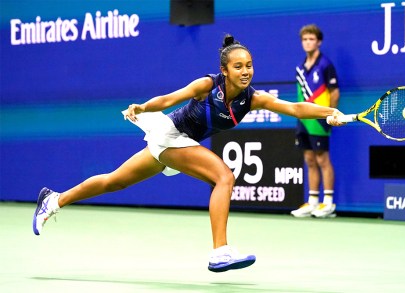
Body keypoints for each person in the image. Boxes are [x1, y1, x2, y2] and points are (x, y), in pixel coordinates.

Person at [33, 34, 344, 272]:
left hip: (175, 142)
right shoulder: (208, 85)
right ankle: (219, 251)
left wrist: (329, 111)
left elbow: (295, 107)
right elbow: (170, 98)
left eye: (249, 65)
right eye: (238, 67)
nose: (246, 71)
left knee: (114, 181)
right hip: (170, 135)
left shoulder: (252, 98)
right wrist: (142, 107)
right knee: (224, 176)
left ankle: (54, 199)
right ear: (225, 70)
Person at [290, 24, 340, 218]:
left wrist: (329, 115)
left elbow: (334, 92)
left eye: (311, 39)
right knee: (309, 159)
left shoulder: (326, 65)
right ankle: (312, 202)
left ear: (318, 42)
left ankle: (327, 203)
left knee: (322, 159)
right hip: (303, 120)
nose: (308, 42)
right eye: (305, 39)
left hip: (320, 120)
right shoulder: (300, 68)